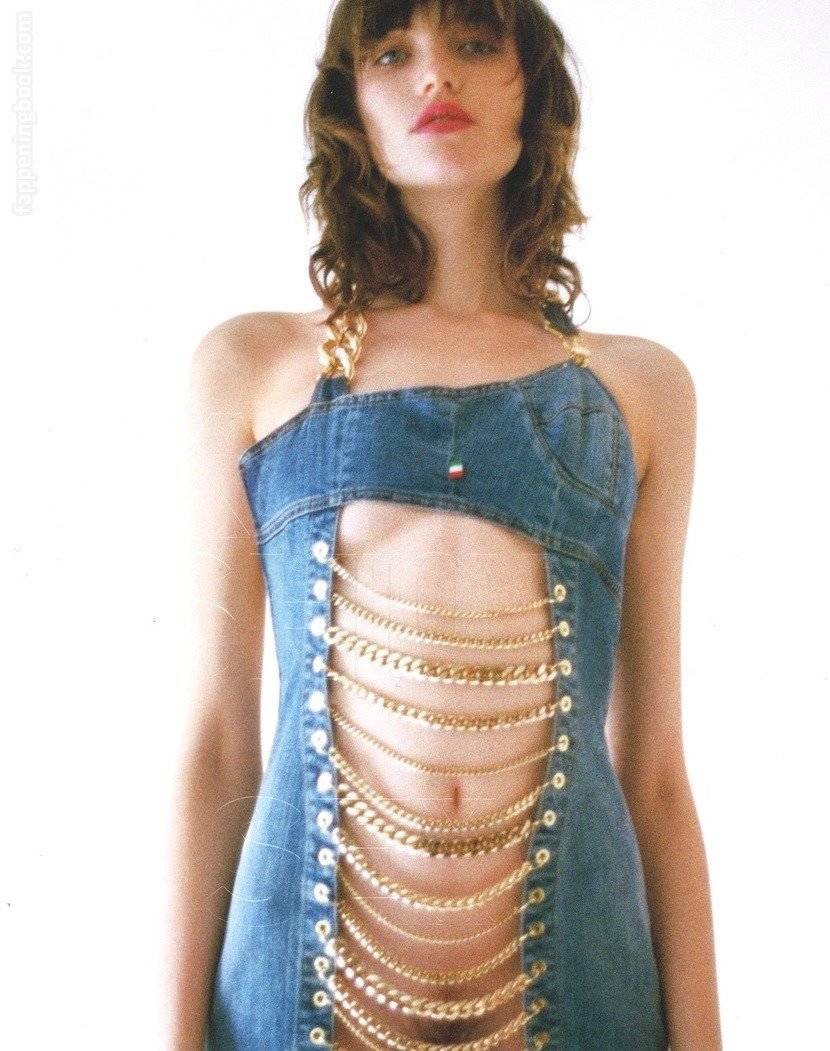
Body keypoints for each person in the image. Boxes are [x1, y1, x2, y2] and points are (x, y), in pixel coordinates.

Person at [165, 1, 722, 1048]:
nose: (435, 76)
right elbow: (217, 750)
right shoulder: (251, 367)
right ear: (349, 107)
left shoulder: (639, 390)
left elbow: (653, 773)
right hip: (298, 1004)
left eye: (473, 42)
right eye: (392, 51)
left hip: (582, 1005)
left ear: (533, 88)